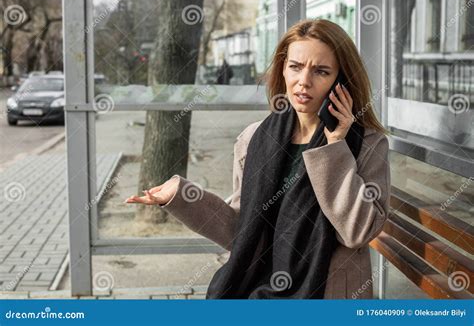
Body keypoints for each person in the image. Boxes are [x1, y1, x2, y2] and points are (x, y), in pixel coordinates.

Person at [125, 18, 391, 299]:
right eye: (295, 67)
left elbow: (358, 233)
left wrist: (336, 145)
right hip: (258, 287)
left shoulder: (367, 144)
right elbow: (242, 233)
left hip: (326, 294)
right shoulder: (253, 139)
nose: (304, 81)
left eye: (321, 71)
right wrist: (182, 196)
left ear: (341, 82)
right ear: (283, 70)